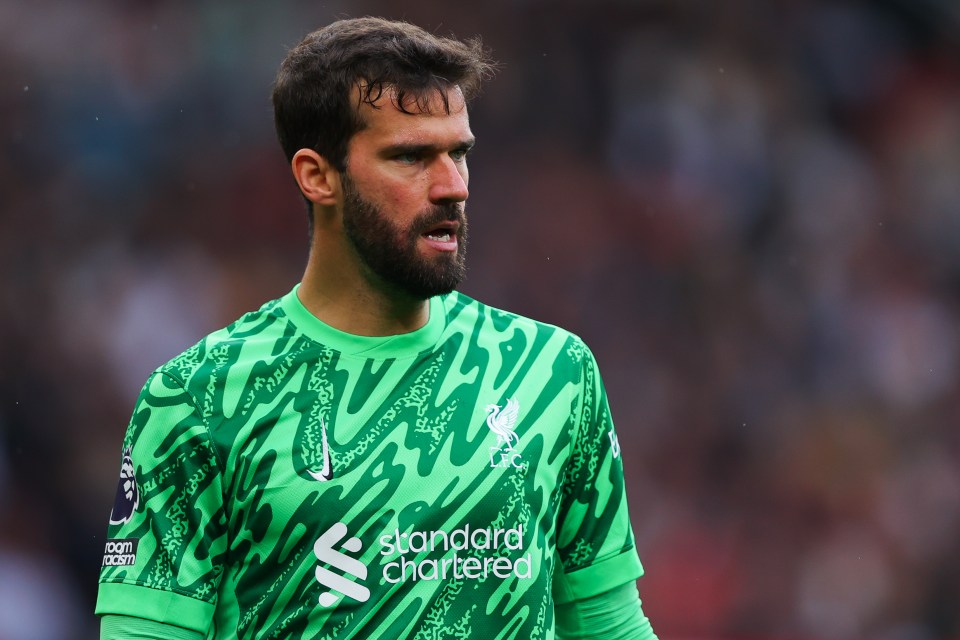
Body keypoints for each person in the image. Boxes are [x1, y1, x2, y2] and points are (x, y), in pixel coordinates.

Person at [96, 16, 658, 640]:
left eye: (459, 153)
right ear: (317, 175)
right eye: (411, 156)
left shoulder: (554, 372)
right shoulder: (198, 400)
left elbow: (610, 625)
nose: (453, 187)